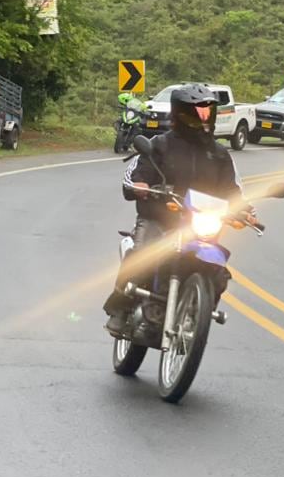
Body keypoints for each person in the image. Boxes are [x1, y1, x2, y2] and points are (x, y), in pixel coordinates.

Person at [104, 83, 247, 337]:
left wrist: (244, 210)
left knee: (219, 272)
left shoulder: (220, 155)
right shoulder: (159, 145)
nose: (204, 117)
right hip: (159, 218)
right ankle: (121, 307)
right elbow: (132, 176)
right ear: (180, 113)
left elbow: (233, 190)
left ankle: (197, 312)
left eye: (208, 111)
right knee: (142, 254)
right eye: (198, 112)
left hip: (198, 225)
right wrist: (140, 185)